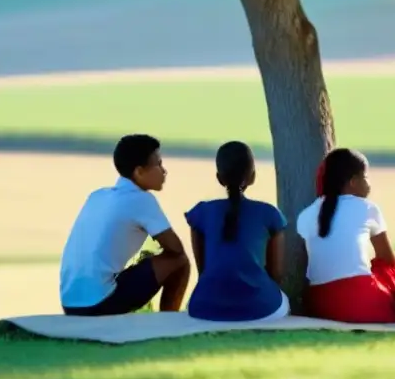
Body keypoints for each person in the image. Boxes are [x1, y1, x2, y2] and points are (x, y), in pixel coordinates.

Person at [59, 134, 191, 316]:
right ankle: (167, 321)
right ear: (139, 172)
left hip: (70, 304)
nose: (164, 171)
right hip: (98, 305)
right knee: (179, 261)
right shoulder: (141, 199)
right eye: (158, 164)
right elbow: (175, 248)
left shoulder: (97, 195)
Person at [296, 148, 395, 323]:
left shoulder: (305, 215)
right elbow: (389, 261)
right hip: (361, 304)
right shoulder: (368, 208)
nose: (369, 184)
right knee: (384, 269)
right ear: (353, 182)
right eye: (366, 178)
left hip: (319, 303)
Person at [184, 141, 290, 322]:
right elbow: (276, 274)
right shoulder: (270, 214)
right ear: (253, 176)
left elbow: (203, 271)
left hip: (204, 307)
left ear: (219, 178)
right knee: (284, 302)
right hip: (261, 308)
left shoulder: (202, 213)